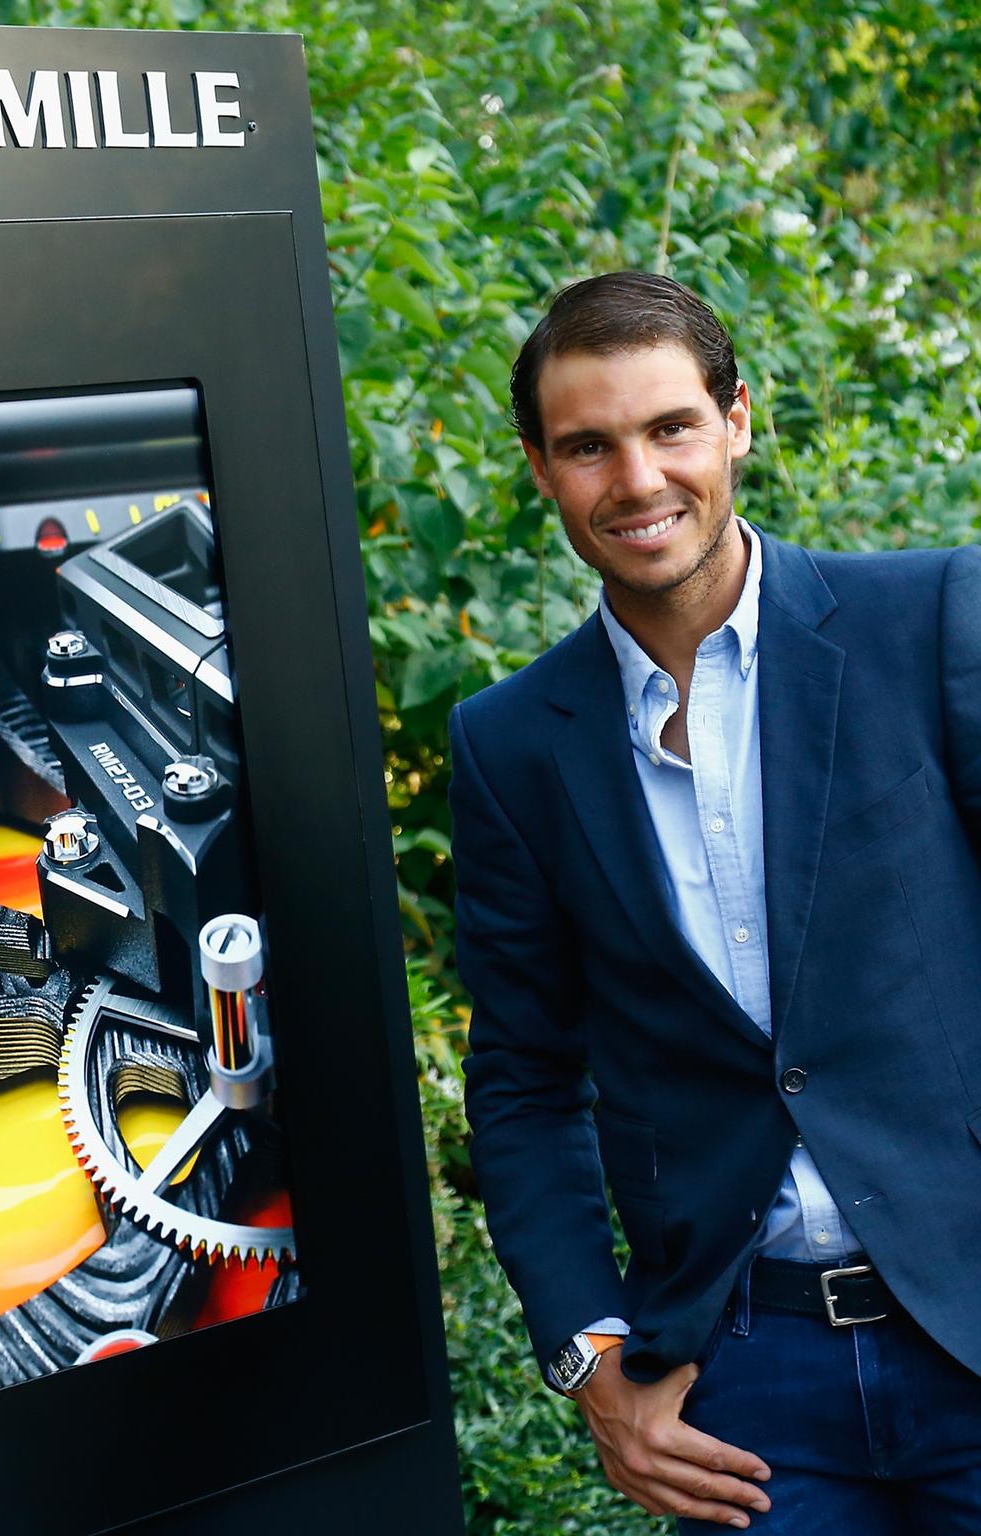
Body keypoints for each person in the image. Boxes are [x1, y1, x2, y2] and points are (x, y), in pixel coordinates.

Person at [448, 270, 981, 1532]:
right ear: (541, 468)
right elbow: (525, 1079)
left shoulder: (930, 620)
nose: (636, 481)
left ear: (738, 419)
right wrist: (589, 1361)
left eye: (670, 427)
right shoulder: (513, 742)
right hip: (744, 1390)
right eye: (589, 446)